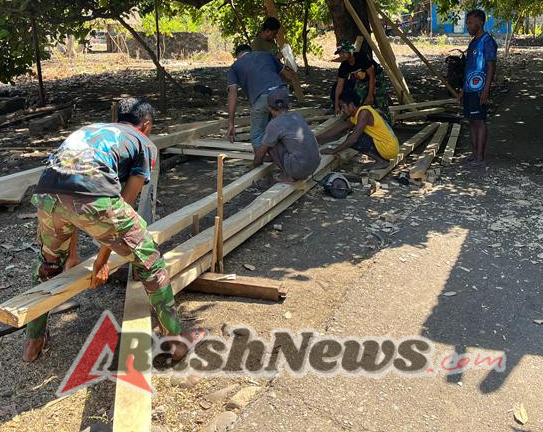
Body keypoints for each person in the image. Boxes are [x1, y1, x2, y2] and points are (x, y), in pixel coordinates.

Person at [22, 98, 205, 362]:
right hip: (92, 196)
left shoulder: (91, 131)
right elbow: (124, 205)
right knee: (151, 262)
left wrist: (71, 255)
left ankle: (33, 342)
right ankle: (176, 343)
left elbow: (68, 194)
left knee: (48, 266)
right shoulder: (143, 143)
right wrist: (102, 258)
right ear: (146, 125)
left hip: (47, 195)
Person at [227, 43, 298, 148]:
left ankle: (260, 157)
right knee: (282, 128)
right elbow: (289, 76)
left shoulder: (234, 67)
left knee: (257, 135)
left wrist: (231, 123)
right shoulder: (267, 55)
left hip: (262, 97)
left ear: (237, 56)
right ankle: (291, 151)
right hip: (282, 92)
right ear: (250, 51)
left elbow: (232, 94)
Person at [249, 88, 321, 183]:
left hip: (299, 170)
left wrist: (254, 165)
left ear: (269, 107)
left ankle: (289, 175)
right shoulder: (297, 116)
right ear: (289, 105)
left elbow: (261, 152)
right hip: (315, 165)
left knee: (269, 144)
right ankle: (293, 168)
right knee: (277, 138)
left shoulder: (274, 124)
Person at [316, 91, 399, 169]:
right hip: (388, 147)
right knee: (353, 136)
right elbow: (337, 129)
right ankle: (382, 159)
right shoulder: (355, 116)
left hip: (389, 148)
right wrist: (316, 137)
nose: (342, 110)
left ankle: (381, 161)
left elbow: (352, 140)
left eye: (343, 107)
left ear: (351, 105)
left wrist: (333, 151)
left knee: (355, 138)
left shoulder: (364, 112)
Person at [460, 9, 497, 165]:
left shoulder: (487, 41)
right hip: (469, 89)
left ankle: (480, 157)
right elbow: (468, 68)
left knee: (479, 121)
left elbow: (491, 67)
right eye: (467, 22)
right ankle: (474, 154)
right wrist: (463, 89)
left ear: (480, 23)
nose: (467, 25)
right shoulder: (473, 42)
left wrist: (486, 90)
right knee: (472, 121)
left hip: (480, 89)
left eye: (470, 22)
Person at [330, 40, 391, 123]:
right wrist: (336, 105)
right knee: (358, 98)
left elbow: (372, 76)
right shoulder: (344, 66)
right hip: (362, 80)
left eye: (344, 52)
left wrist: (370, 95)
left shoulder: (362, 57)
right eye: (340, 53)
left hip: (376, 77)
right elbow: (339, 86)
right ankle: (361, 121)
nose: (341, 55)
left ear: (351, 52)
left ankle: (387, 122)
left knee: (380, 99)